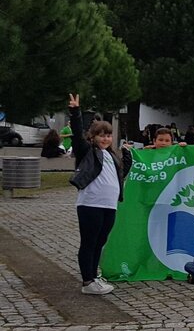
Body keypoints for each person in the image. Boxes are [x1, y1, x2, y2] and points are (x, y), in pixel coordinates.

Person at [68, 93, 131, 295]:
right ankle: (87, 281)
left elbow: (120, 175)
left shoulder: (112, 156)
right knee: (89, 242)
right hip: (91, 204)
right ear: (93, 137)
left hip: (109, 205)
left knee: (100, 242)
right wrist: (75, 112)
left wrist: (127, 156)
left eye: (109, 135)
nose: (105, 139)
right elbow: (77, 134)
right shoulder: (87, 151)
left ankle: (94, 276)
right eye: (101, 135)